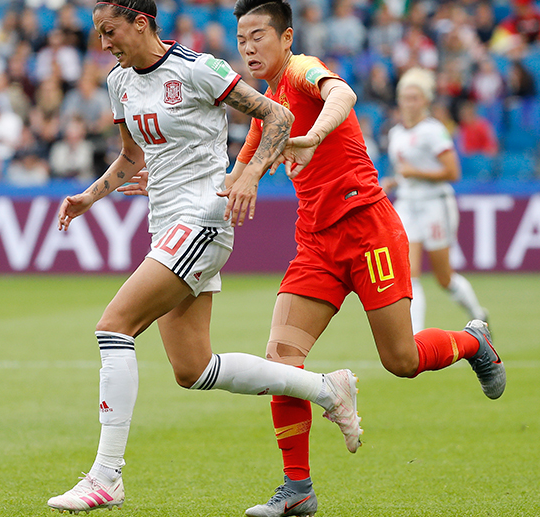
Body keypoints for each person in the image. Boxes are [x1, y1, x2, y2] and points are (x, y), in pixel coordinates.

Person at [46, 1, 362, 514]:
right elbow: (132, 157)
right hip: (165, 228)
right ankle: (327, 388)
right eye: (99, 35)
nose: (104, 44)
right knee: (193, 369)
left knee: (114, 326)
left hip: (202, 222)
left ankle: (105, 476)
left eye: (110, 32)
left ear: (141, 23)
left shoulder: (199, 70)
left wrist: (248, 175)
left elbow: (277, 115)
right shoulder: (119, 82)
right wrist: (90, 195)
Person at [227, 3, 504, 516]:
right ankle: (298, 488)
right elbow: (237, 174)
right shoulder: (268, 106)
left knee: (401, 361)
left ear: (286, 38)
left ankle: (473, 341)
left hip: (369, 232)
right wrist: (167, 181)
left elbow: (343, 93)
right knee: (281, 362)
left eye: (257, 36)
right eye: (240, 37)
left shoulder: (303, 70)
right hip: (315, 244)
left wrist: (313, 135)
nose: (247, 48)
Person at [383, 68, 488, 333]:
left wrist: (413, 173)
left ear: (426, 100)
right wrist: (394, 181)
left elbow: (452, 172)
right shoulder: (396, 132)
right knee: (409, 272)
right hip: (407, 203)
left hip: (435, 204)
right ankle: (416, 337)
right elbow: (405, 171)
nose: (409, 103)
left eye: (415, 97)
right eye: (405, 97)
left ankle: (477, 313)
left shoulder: (434, 131)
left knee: (444, 278)